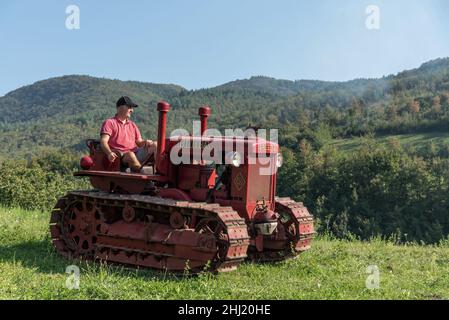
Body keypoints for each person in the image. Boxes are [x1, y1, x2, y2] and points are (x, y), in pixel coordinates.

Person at [100, 96, 157, 173]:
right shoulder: (109, 123)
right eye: (130, 107)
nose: (132, 110)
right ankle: (143, 174)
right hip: (121, 156)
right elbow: (103, 141)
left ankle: (159, 171)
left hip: (135, 152)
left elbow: (139, 143)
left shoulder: (132, 125)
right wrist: (109, 153)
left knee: (156, 145)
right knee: (131, 155)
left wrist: (146, 142)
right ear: (121, 107)